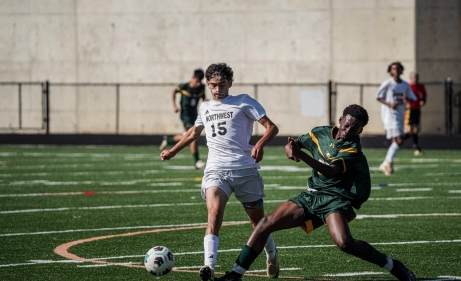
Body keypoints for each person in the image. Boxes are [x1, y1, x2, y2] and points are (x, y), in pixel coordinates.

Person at [214, 104, 416, 281]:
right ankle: (235, 274)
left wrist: (300, 154)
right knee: (265, 224)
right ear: (340, 120)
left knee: (345, 243)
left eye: (355, 129)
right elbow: (294, 145)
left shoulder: (353, 148)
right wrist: (291, 150)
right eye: (346, 125)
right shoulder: (320, 133)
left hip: (337, 199)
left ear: (360, 131)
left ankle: (392, 265)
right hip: (312, 195)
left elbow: (331, 170)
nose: (348, 131)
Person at [160, 63, 280, 281]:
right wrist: (173, 151)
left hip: (244, 170)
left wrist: (260, 144)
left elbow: (272, 127)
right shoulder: (205, 107)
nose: (217, 89)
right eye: (213, 85)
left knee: (258, 224)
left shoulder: (244, 101)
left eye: (222, 85)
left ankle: (271, 254)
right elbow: (193, 133)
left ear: (230, 83)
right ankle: (209, 266)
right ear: (207, 84)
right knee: (214, 214)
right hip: (216, 171)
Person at [159, 69, 207, 169]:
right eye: (196, 81)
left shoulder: (201, 88)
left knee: (187, 136)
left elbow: (203, 98)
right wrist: (174, 106)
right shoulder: (184, 86)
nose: (198, 84)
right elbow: (174, 92)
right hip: (185, 115)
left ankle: (169, 140)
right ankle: (196, 161)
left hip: (195, 114)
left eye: (199, 82)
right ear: (192, 78)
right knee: (193, 135)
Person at [376, 62, 416, 176]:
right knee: (400, 140)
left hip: (400, 115)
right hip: (390, 115)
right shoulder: (388, 83)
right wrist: (389, 104)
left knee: (395, 140)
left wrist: (407, 98)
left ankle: (387, 164)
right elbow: (378, 96)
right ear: (390, 71)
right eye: (394, 68)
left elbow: (413, 98)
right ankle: (386, 162)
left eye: (398, 68)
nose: (396, 70)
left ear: (401, 70)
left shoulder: (405, 85)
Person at [407, 71, 427, 156]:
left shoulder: (421, 87)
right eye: (413, 77)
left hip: (417, 110)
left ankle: (414, 145)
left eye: (416, 77)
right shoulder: (408, 86)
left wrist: (423, 101)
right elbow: (404, 96)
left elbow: (424, 96)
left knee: (415, 129)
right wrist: (407, 103)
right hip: (409, 110)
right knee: (413, 129)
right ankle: (415, 146)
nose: (415, 79)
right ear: (411, 78)